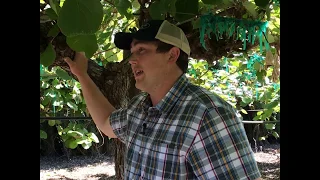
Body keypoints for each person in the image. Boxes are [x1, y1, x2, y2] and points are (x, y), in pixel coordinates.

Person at [64, 20, 261, 180]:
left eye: (141, 50)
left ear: (172, 55)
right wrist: (82, 75)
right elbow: (107, 123)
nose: (131, 59)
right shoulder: (139, 108)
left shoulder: (208, 114)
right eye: (132, 51)